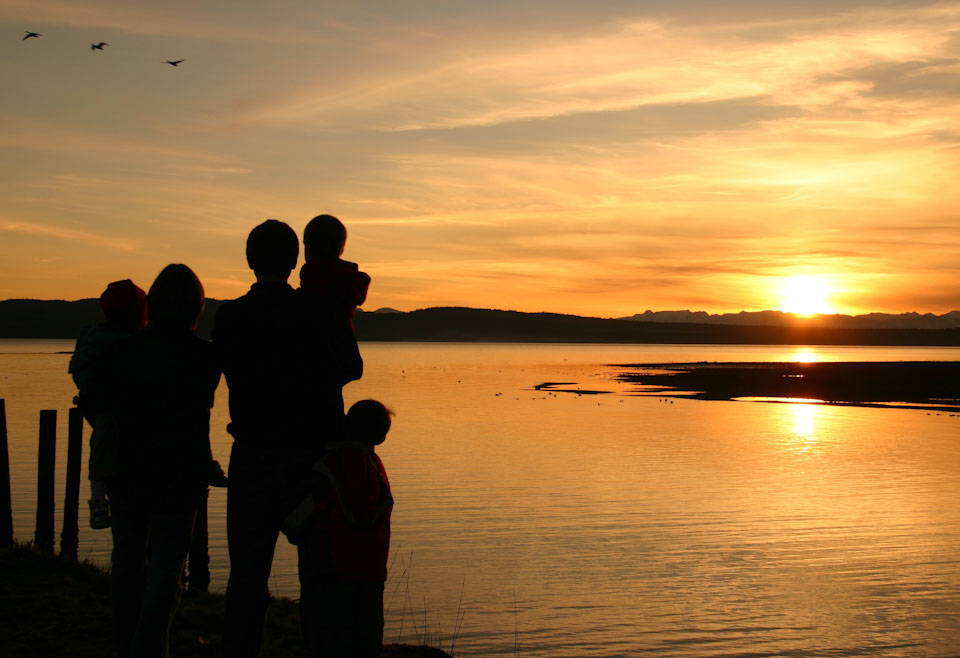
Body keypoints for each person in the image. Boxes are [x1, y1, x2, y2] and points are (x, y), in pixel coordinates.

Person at [215, 219, 363, 657]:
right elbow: (351, 369)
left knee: (246, 577)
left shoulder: (229, 317)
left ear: (249, 260)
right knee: (317, 579)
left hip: (253, 457)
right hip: (311, 461)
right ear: (296, 258)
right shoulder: (319, 312)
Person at [104, 264, 222, 658]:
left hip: (128, 473)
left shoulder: (123, 351)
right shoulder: (205, 358)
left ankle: (126, 647)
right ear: (196, 308)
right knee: (166, 574)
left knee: (127, 566)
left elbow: (111, 412)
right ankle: (151, 649)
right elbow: (196, 421)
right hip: (179, 476)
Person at [284, 399, 394, 658]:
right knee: (367, 636)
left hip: (331, 569)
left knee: (329, 636)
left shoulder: (328, 466)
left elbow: (297, 517)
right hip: (371, 571)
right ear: (379, 437)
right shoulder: (376, 469)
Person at [69, 279, 149, 529]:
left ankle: (98, 501)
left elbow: (79, 370)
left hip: (99, 407)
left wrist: (89, 396)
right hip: (116, 416)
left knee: (101, 451)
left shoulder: (91, 336)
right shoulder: (132, 344)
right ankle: (98, 503)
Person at [299, 214, 371, 329]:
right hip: (345, 344)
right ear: (341, 249)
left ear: (307, 248)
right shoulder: (350, 283)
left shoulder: (312, 280)